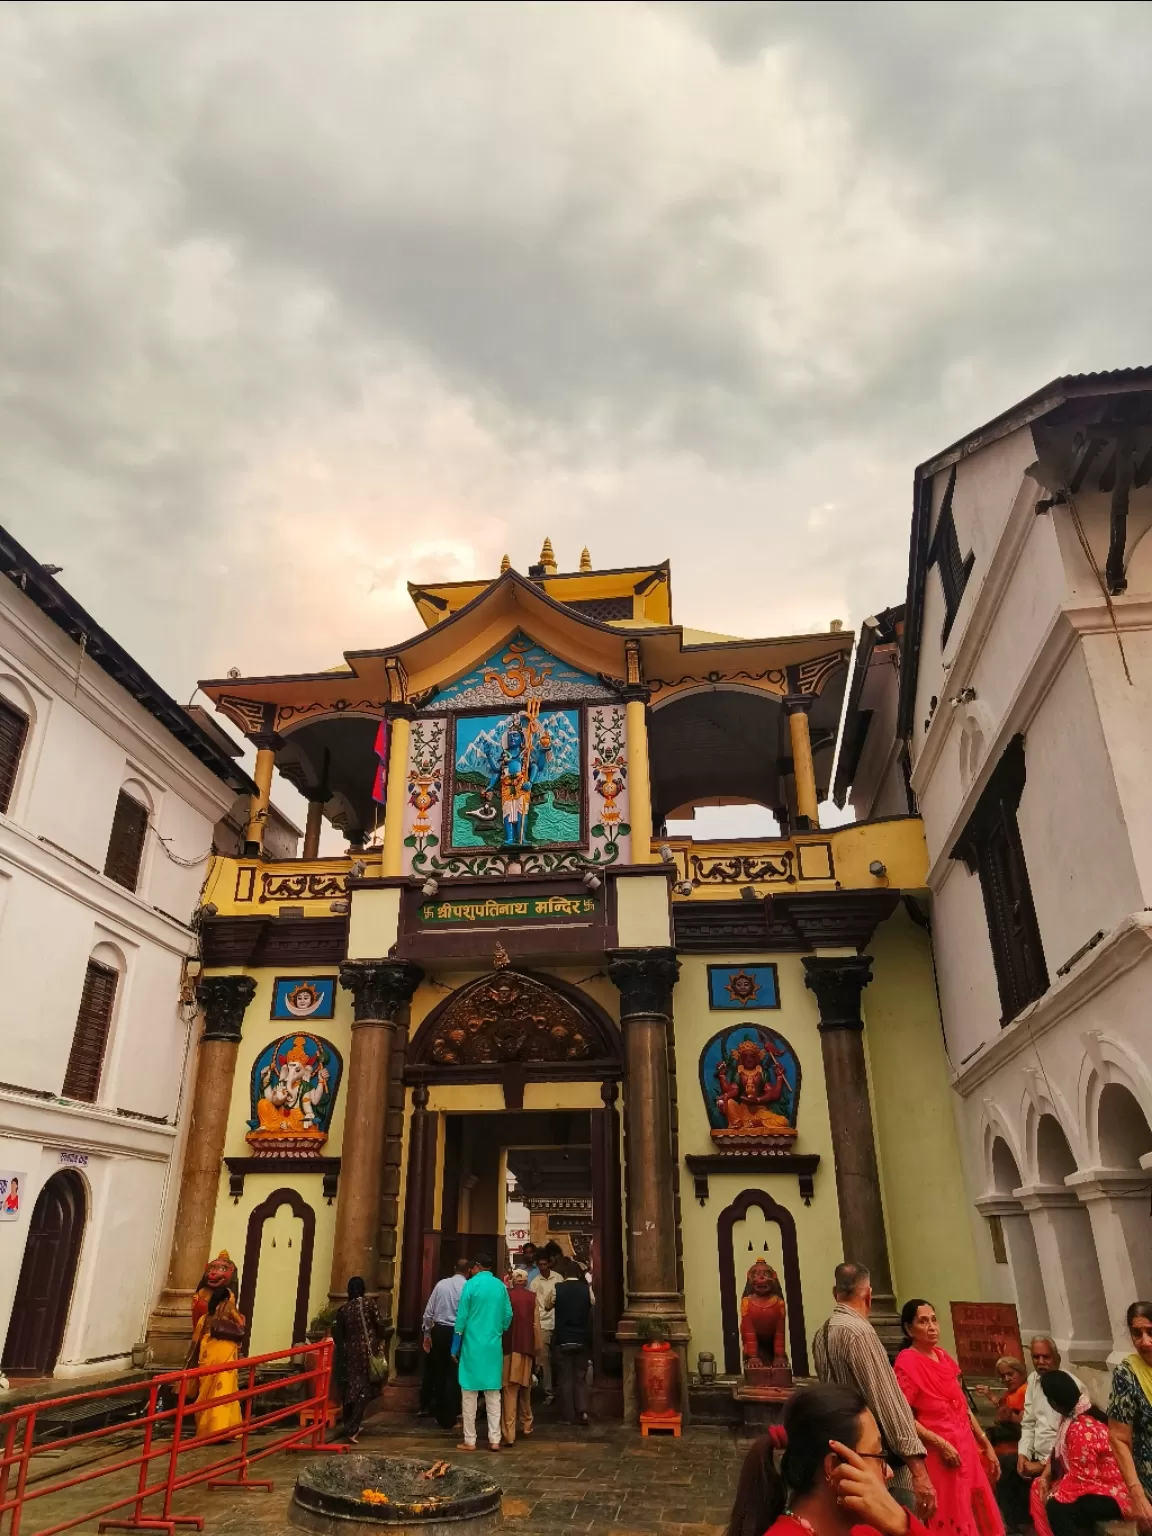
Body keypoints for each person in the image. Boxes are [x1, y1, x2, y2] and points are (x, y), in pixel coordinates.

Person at [813, 1262, 936, 1521]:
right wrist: (918, 1468)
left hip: (846, 1450)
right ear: (868, 1294)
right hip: (879, 1461)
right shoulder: (859, 1332)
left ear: (835, 1292)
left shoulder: (822, 1333)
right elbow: (887, 1401)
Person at [726, 1380, 930, 1536]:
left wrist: (903, 1525)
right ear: (834, 1467)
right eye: (878, 1456)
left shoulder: (864, 1530)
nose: (889, 1472)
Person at [894, 1298, 1002, 1536]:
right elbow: (901, 1415)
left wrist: (984, 1443)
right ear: (909, 1329)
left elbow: (962, 1406)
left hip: (966, 1449)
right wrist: (940, 1443)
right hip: (940, 1454)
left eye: (934, 1320)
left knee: (975, 1509)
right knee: (951, 1512)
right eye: (923, 1321)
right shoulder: (907, 1363)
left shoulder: (942, 1357)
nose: (932, 1326)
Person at [1036, 1370, 1130, 1536]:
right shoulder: (1076, 1416)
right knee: (1043, 1489)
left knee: (1056, 1507)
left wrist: (1056, 1492)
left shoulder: (1081, 1427)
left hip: (1114, 1492)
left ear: (1053, 1403)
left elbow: (1083, 1477)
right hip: (1100, 1484)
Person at [1018, 1336, 1085, 1536]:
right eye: (1035, 1357)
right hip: (1039, 1458)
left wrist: (1044, 1467)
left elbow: (1073, 1440)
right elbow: (1029, 1423)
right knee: (1006, 1469)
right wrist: (1022, 1455)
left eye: (1045, 1357)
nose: (1040, 1362)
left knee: (1043, 1494)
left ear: (1057, 1358)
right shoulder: (1033, 1380)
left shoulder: (1071, 1387)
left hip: (1060, 1464)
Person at [452, 1254, 512, 1453]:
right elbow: (508, 1315)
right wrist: (498, 1329)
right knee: (493, 1394)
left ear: (476, 1267)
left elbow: (461, 1318)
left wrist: (455, 1346)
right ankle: (494, 1439)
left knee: (469, 1394)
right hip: (493, 1346)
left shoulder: (470, 1285)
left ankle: (470, 1440)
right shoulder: (500, 1287)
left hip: (472, 1345)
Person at [1108, 1300, 1152, 1528]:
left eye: (1151, 1332)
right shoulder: (1126, 1375)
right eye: (1137, 1334)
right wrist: (1138, 1495)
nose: (1145, 1342)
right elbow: (1118, 1438)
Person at [972, 1359, 1029, 1534]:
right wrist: (990, 1395)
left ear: (1021, 1373)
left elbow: (1026, 1420)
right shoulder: (1013, 1393)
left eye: (1010, 1374)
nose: (1007, 1379)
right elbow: (1005, 1406)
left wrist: (1011, 1417)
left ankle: (1002, 1521)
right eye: (1003, 1376)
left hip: (1018, 1446)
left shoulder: (1025, 1391)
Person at [332, 1276, 386, 1443]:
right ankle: (353, 1428)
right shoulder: (369, 1304)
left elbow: (338, 1335)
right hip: (368, 1353)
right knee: (365, 1390)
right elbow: (379, 1325)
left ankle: (349, 1424)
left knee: (351, 1389)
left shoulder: (343, 1310)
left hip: (350, 1354)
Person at [189, 1286, 245, 1441]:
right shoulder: (230, 1315)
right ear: (227, 1300)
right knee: (224, 1391)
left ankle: (208, 1430)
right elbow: (241, 1326)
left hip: (208, 1356)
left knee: (207, 1392)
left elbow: (195, 1341)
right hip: (225, 1355)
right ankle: (221, 1430)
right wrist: (232, 1307)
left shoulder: (205, 1318)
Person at [421, 1258, 470, 1431]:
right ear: (468, 1271)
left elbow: (428, 1313)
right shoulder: (467, 1287)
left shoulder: (441, 1285)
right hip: (458, 1332)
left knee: (439, 1372)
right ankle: (453, 1415)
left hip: (439, 1331)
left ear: (454, 1268)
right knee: (455, 1373)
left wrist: (427, 1334)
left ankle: (440, 1415)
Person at [502, 1269, 541, 1445]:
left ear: (512, 1280)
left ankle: (509, 1434)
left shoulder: (506, 1295)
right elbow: (536, 1326)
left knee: (510, 1391)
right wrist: (537, 1350)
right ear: (525, 1281)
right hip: (526, 1348)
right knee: (526, 1388)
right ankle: (527, 1424)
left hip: (508, 1349)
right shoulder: (532, 1298)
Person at [551, 1265, 592, 1426]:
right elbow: (593, 1303)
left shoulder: (557, 1288)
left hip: (563, 1339)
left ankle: (568, 1415)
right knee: (580, 1378)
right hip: (581, 1338)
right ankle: (582, 1412)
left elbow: (548, 1304)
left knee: (565, 1378)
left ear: (565, 1274)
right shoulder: (585, 1289)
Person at [530, 1253, 558, 1403]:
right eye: (539, 1265)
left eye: (544, 1264)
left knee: (558, 1359)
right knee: (544, 1360)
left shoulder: (558, 1278)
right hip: (543, 1323)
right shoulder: (534, 1282)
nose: (542, 1267)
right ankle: (549, 1392)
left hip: (557, 1322)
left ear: (549, 1264)